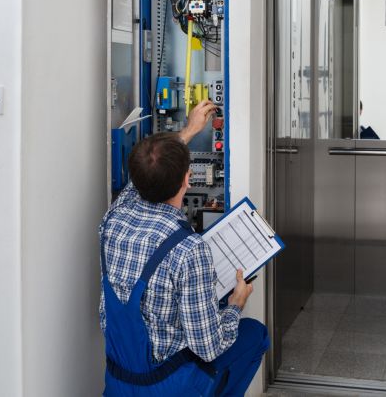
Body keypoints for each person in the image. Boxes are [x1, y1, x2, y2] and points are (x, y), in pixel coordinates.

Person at [99, 99, 269, 396]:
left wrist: (188, 131)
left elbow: (139, 181)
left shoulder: (112, 219)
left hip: (119, 380)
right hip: (168, 384)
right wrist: (236, 305)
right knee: (255, 334)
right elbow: (208, 347)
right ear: (188, 179)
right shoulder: (189, 249)